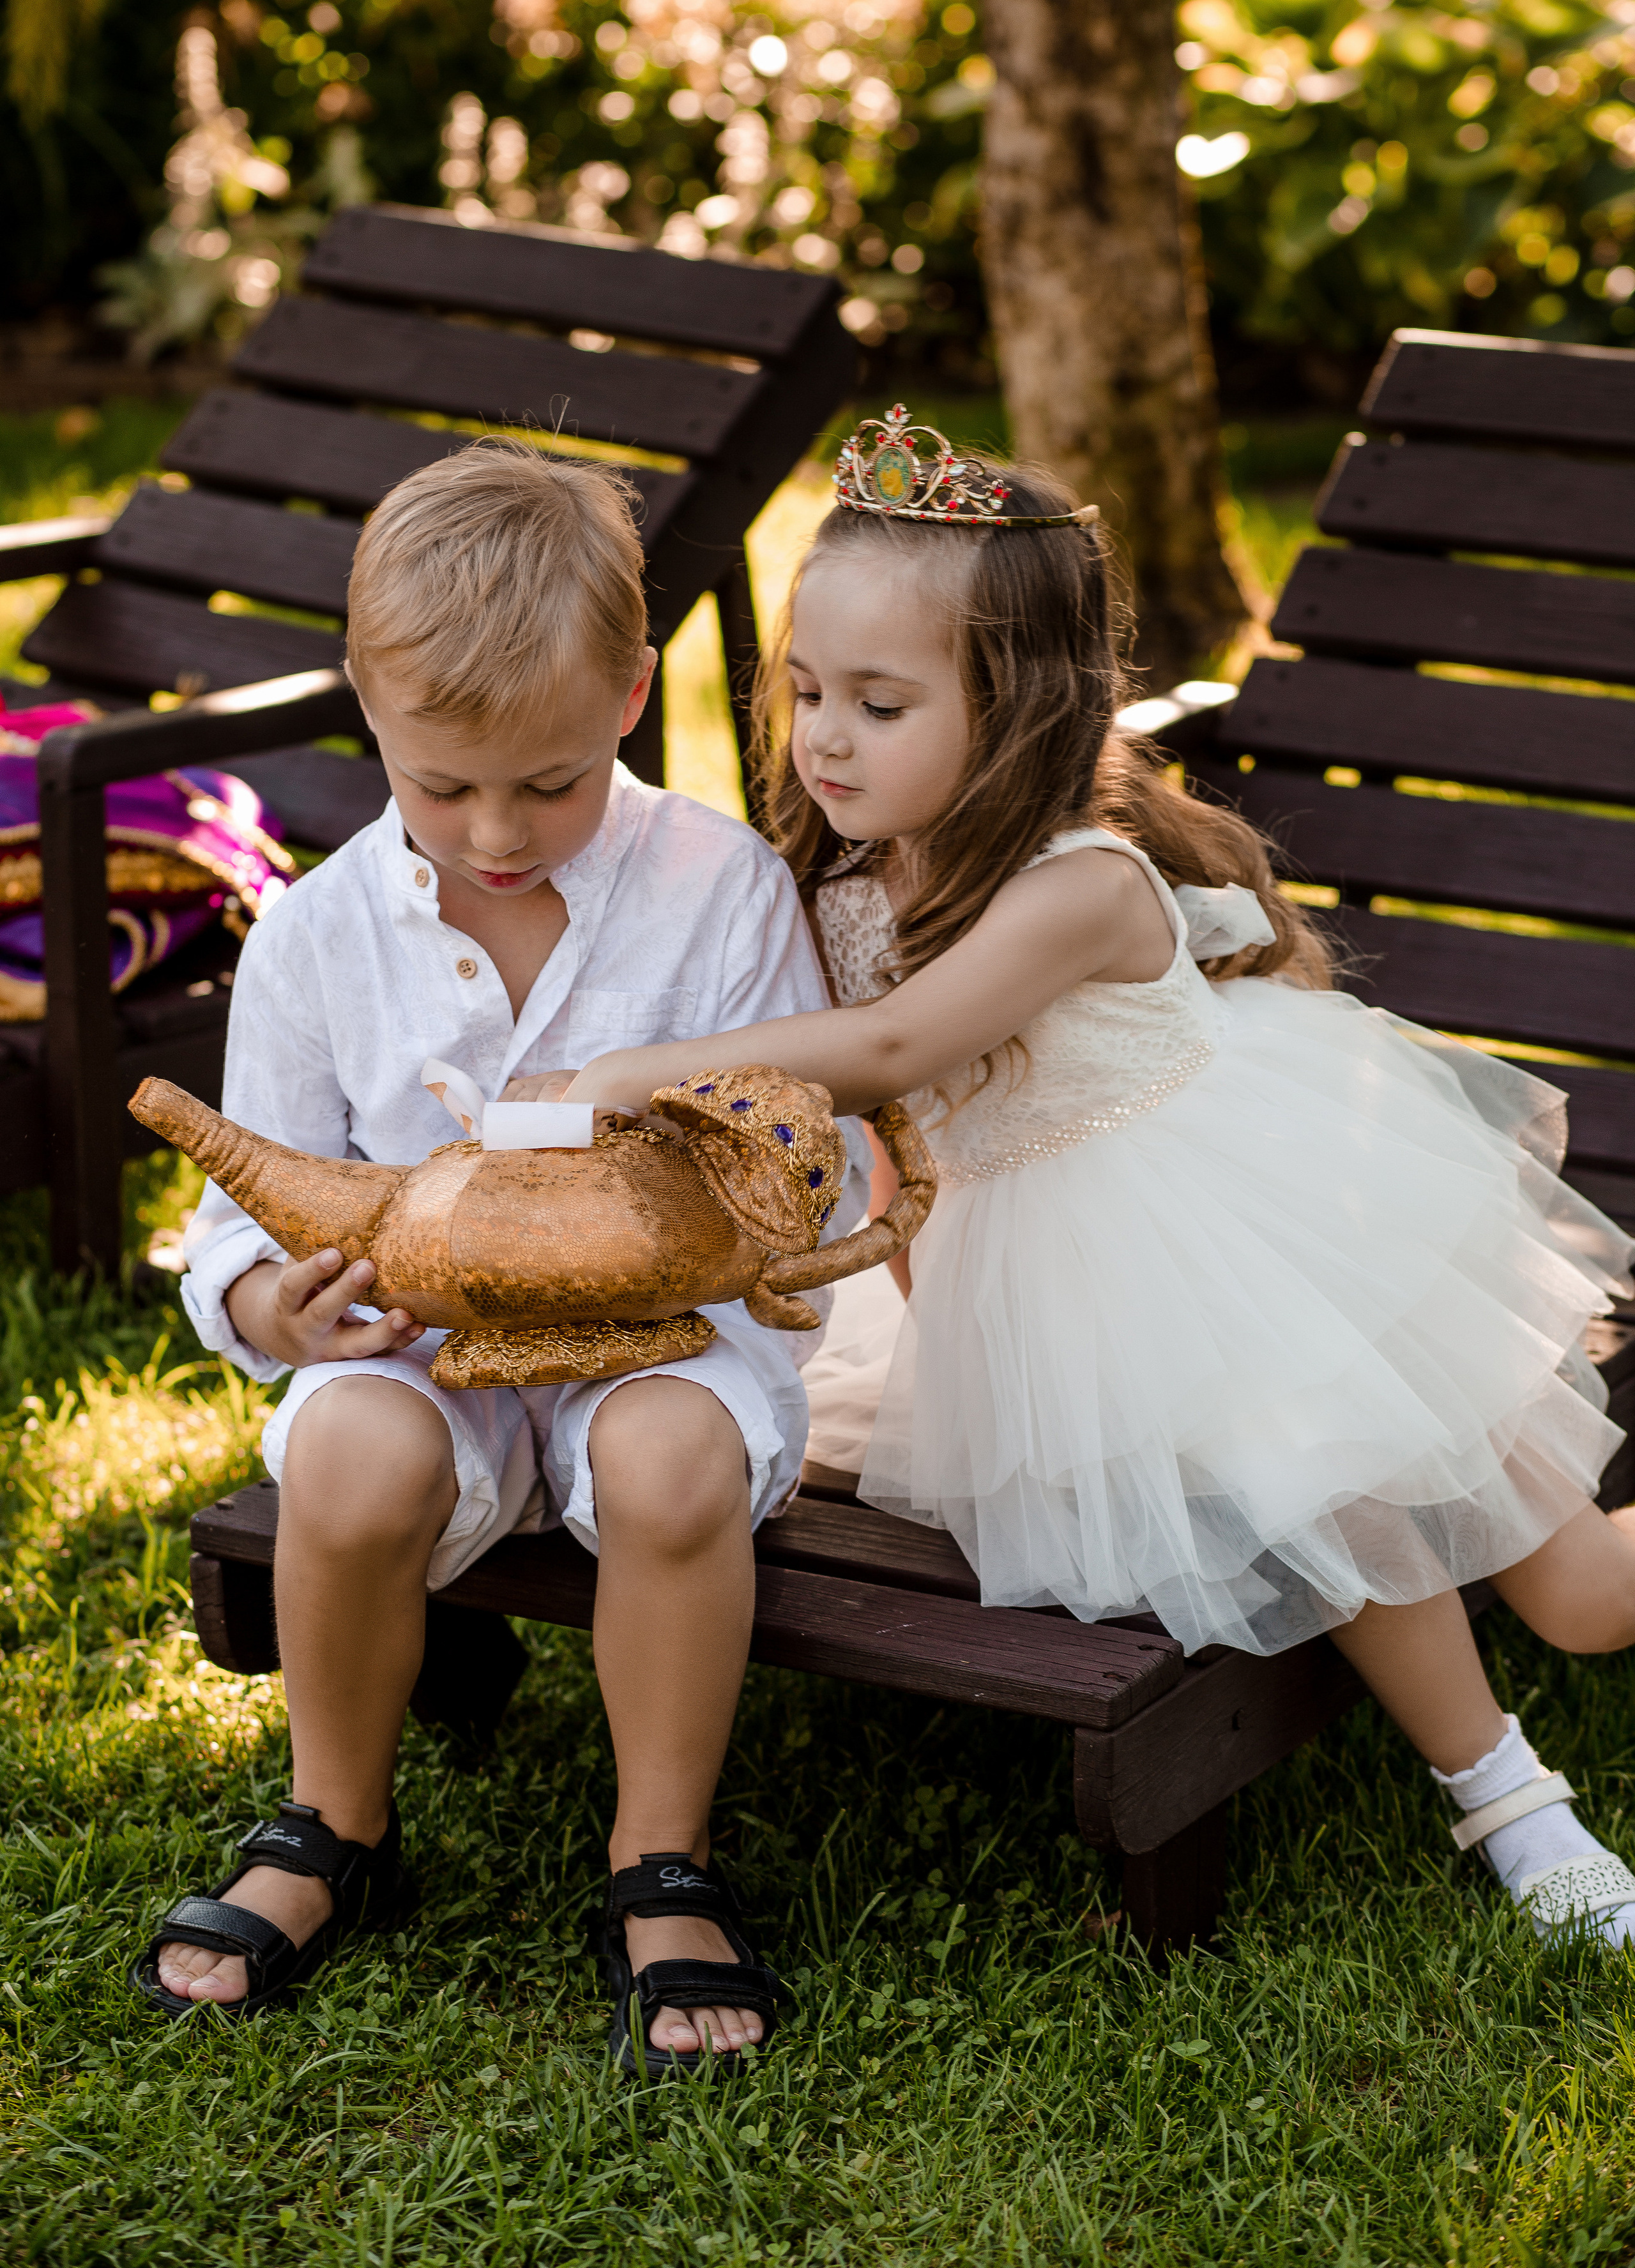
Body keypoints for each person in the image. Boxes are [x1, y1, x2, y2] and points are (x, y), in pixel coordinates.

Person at [547, 410, 1635, 1948]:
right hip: (1045, 1280)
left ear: (1017, 712)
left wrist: (623, 1076)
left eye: (877, 700)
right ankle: (1500, 1789)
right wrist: (936, 1338)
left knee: (1558, 1590)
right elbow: (901, 1138)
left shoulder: (1083, 885)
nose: (825, 738)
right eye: (801, 693)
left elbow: (894, 1044)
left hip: (1242, 1241)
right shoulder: (858, 878)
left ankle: (1512, 1803)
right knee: (1275, 1480)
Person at [133, 440, 867, 2073]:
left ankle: (657, 1858)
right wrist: (280, 1302)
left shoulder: (719, 889)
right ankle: (335, 1823)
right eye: (441, 785)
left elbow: (808, 1154)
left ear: (628, 690)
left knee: (673, 1462)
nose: (496, 831)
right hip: (413, 1343)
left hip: (660, 1340)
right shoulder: (321, 930)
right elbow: (241, 1223)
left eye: (546, 783)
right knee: (347, 1457)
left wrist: (731, 1212)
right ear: (366, 711)